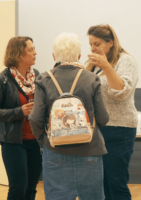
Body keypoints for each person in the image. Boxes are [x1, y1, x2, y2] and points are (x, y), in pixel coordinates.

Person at [30, 32, 109, 200]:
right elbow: (103, 118)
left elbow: (35, 118)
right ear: (79, 56)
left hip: (55, 150)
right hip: (90, 150)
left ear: (54, 56)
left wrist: (43, 140)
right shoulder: (92, 78)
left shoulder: (43, 79)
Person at [86, 24, 138, 200]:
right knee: (102, 182)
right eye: (91, 44)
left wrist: (107, 67)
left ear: (111, 43)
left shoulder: (125, 61)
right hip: (97, 129)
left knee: (117, 183)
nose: (93, 48)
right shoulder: (94, 65)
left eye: (97, 44)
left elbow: (121, 92)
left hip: (119, 129)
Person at [0, 36, 42, 200]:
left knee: (31, 189)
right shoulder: (0, 81)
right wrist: (19, 111)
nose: (35, 53)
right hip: (13, 142)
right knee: (18, 189)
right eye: (30, 50)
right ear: (18, 55)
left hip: (36, 141)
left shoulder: (37, 76)